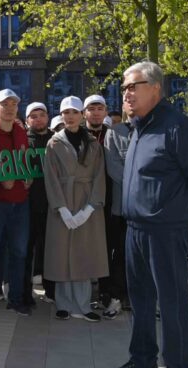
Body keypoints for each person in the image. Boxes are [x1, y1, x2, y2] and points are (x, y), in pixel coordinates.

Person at [108, 62, 188, 368]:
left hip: (166, 231)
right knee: (139, 299)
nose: (126, 93)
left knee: (172, 302)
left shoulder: (177, 127)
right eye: (124, 88)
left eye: (132, 86)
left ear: (154, 87)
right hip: (135, 228)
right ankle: (143, 358)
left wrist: (183, 217)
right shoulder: (137, 127)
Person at [44, 96, 108, 322]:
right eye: (65, 113)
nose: (70, 116)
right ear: (61, 116)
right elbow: (50, 178)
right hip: (63, 201)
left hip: (86, 201)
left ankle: (83, 304)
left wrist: (90, 207)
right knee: (62, 253)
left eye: (74, 112)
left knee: (84, 253)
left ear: (82, 115)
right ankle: (63, 303)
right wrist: (60, 208)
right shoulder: (53, 144)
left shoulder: (92, 144)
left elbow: (100, 176)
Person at [0, 88, 31, 316]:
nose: (10, 108)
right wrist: (1, 179)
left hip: (20, 201)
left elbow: (26, 160)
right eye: (5, 104)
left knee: (19, 252)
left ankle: (16, 298)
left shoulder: (21, 131)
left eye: (14, 104)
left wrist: (28, 176)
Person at [84, 94, 121, 318]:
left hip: (110, 202)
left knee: (109, 249)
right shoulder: (77, 136)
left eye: (100, 108)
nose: (96, 112)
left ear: (106, 112)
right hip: (83, 201)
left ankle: (108, 293)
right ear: (84, 113)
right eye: (92, 108)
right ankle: (84, 292)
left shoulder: (115, 136)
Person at [23, 101, 55, 306]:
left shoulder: (57, 140)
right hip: (27, 204)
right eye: (33, 116)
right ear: (27, 120)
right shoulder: (23, 141)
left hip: (52, 204)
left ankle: (51, 289)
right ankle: (25, 292)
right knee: (26, 250)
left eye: (41, 114)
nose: (38, 119)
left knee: (51, 249)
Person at [103, 108, 133, 312]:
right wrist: (137, 183)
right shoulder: (115, 132)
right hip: (121, 207)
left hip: (148, 210)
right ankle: (116, 296)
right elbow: (113, 167)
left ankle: (144, 299)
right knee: (120, 254)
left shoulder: (156, 132)